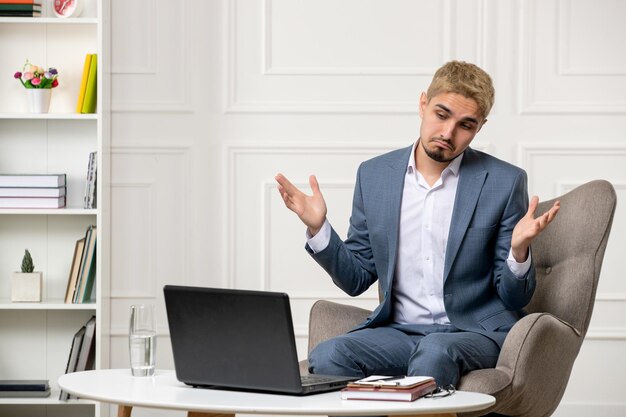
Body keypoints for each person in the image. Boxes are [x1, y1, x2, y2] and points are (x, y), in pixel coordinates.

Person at [275, 61, 560, 387]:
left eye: (465, 125)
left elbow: (514, 298)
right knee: (328, 356)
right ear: (423, 104)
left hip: (473, 331)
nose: (447, 133)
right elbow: (356, 278)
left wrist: (519, 251)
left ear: (479, 127)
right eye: (442, 114)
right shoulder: (374, 175)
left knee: (435, 351)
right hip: (399, 331)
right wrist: (318, 228)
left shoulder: (504, 182)